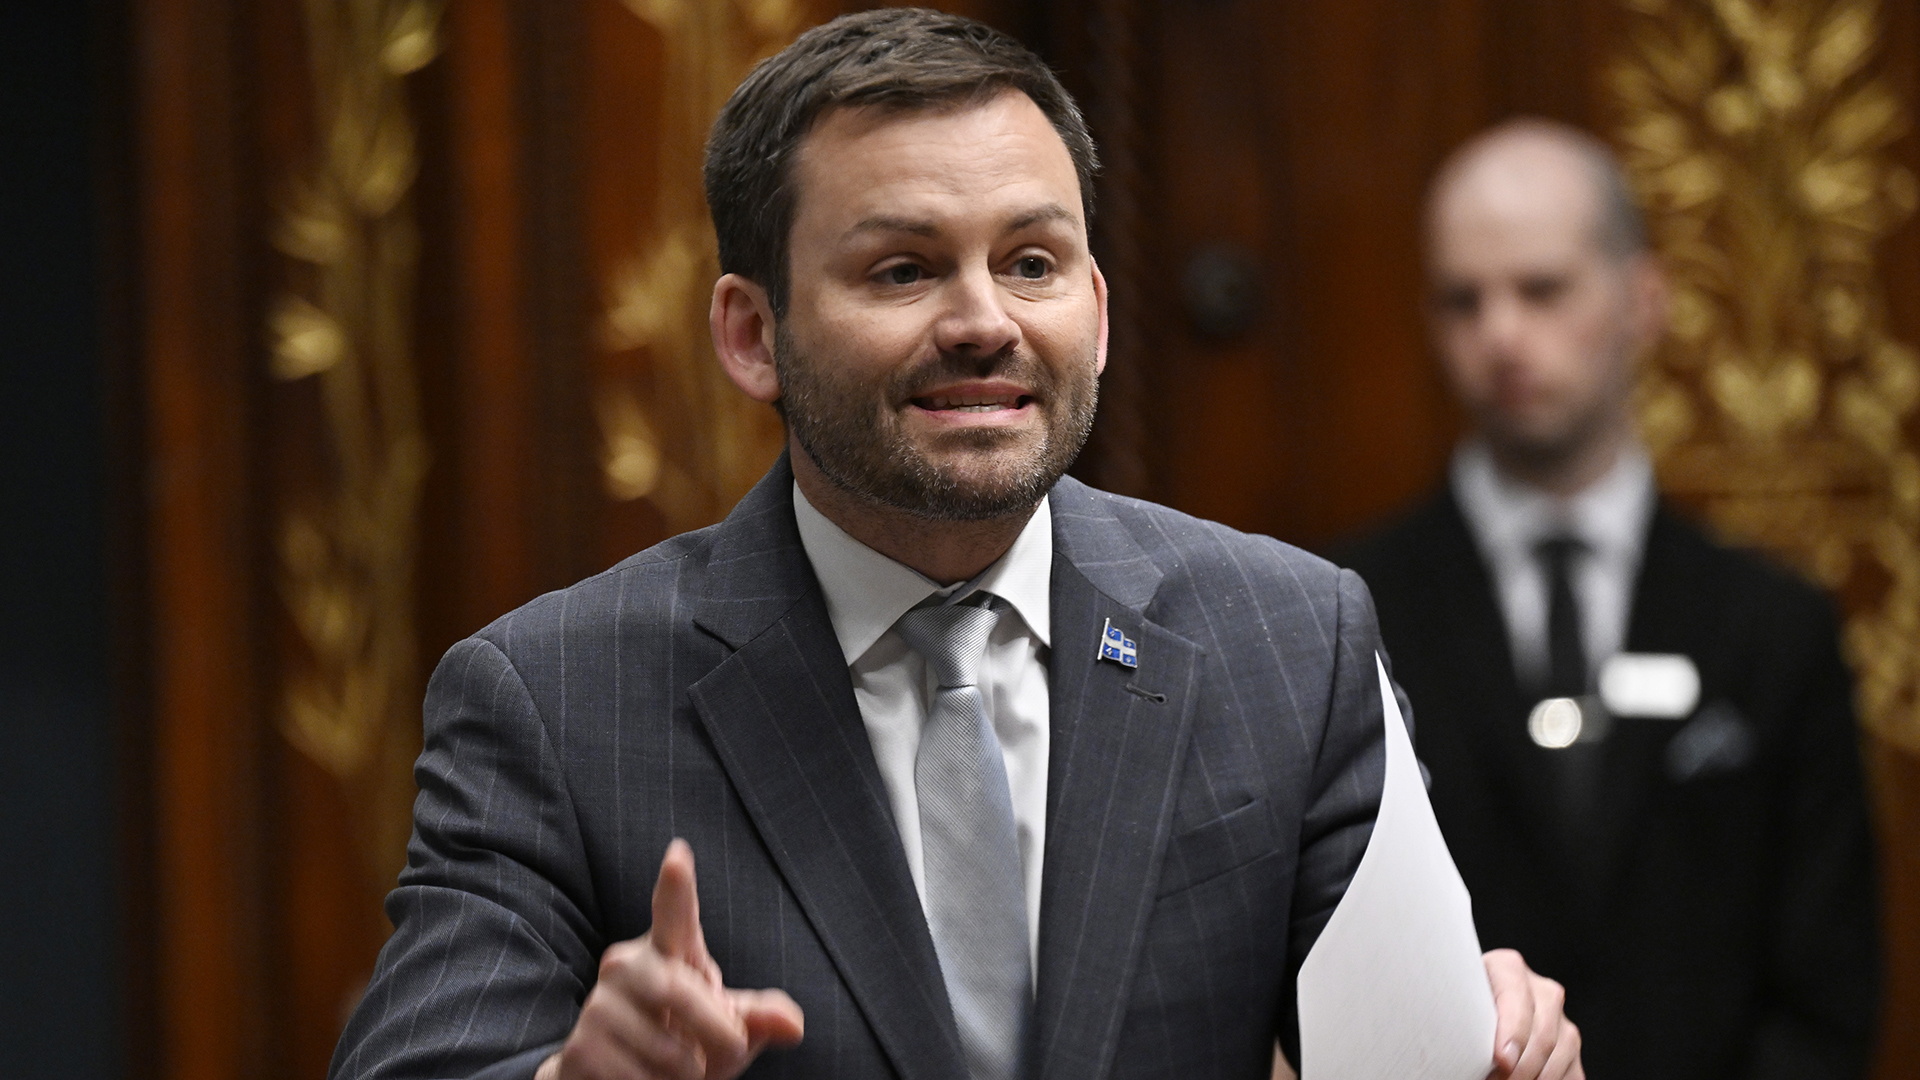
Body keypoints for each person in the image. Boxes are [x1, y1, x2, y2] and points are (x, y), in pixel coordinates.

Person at [329, 13, 1582, 1080]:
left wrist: (1500, 1043)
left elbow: (1414, 1042)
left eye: (1031, 262)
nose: (983, 322)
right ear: (751, 333)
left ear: (1094, 312)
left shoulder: (1289, 642)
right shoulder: (552, 697)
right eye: (903, 271)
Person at [1338, 119, 1881, 1079]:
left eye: (1542, 290)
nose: (1501, 333)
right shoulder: (1348, 612)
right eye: (1463, 301)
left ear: (1644, 299)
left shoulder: (1773, 629)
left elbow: (1827, 995)